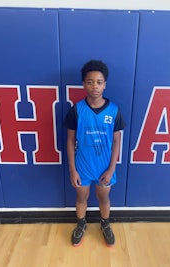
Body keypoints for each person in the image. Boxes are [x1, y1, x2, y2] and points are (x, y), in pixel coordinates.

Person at [64, 59, 125, 247]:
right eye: (90, 82)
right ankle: (81, 224)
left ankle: (105, 224)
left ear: (105, 84)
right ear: (83, 84)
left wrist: (111, 169)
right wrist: (73, 170)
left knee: (103, 198)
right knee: (81, 197)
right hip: (82, 166)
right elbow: (70, 140)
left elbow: (116, 141)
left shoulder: (114, 110)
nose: (94, 86)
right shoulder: (76, 110)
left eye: (99, 82)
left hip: (105, 167)